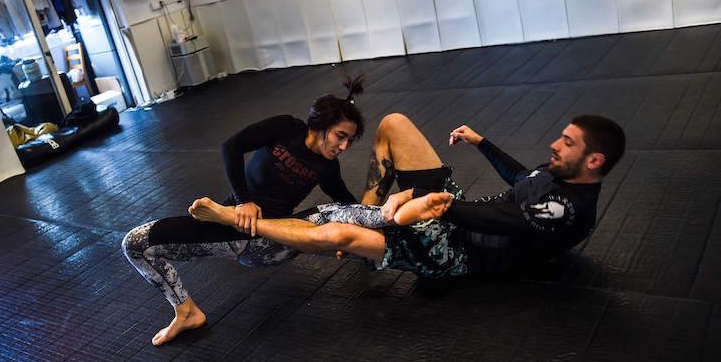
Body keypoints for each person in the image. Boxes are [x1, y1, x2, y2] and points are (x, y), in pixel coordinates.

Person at [189, 113, 626, 280]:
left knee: (339, 232)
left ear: (594, 161)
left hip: (458, 253)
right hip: (455, 211)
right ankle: (368, 213)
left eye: (567, 143)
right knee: (394, 124)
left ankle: (243, 223)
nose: (555, 145)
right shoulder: (562, 171)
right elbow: (522, 178)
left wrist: (427, 202)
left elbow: (491, 222)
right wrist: (481, 142)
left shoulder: (565, 211)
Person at [122, 75, 365, 345]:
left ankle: (387, 235)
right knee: (135, 243)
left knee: (339, 214)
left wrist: (355, 238)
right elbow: (232, 147)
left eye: (349, 141)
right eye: (340, 136)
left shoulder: (328, 167)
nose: (344, 147)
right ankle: (186, 312)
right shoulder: (287, 128)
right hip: (233, 226)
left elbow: (347, 201)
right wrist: (243, 201)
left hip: (271, 241)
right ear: (321, 124)